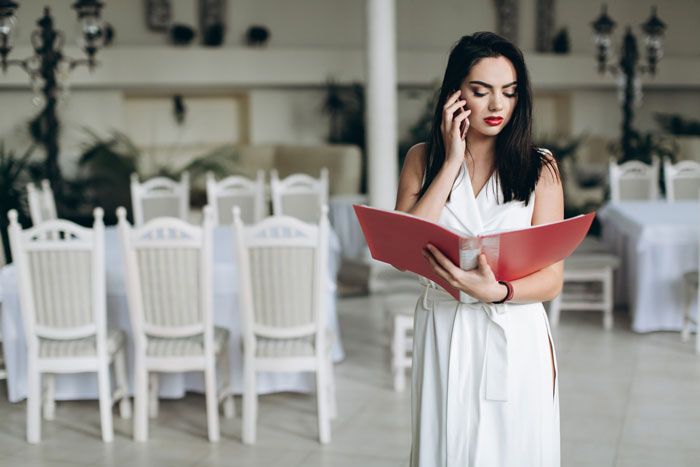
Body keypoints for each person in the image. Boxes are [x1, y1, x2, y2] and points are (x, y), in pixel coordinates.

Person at [395, 32, 563, 466]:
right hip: (443, 325)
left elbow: (552, 278)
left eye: (508, 92)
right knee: (445, 445)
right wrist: (451, 161)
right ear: (455, 93)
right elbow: (405, 248)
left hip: (513, 327)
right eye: (480, 91)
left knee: (514, 448)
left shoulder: (539, 167)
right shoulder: (422, 158)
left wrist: (499, 292)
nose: (497, 106)